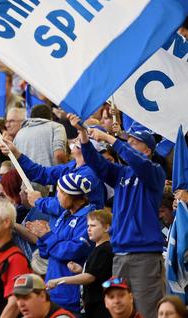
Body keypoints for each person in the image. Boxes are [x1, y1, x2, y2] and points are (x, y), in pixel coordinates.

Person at [69, 113, 166, 318]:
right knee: (118, 311)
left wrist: (110, 139)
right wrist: (83, 135)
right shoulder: (121, 173)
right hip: (120, 253)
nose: (128, 144)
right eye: (127, 141)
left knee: (147, 311)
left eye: (134, 142)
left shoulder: (155, 172)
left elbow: (138, 162)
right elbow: (97, 164)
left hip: (145, 255)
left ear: (147, 151)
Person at [29, 173, 95, 314]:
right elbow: (45, 253)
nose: (57, 195)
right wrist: (41, 236)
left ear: (72, 195)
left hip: (72, 296)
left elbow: (73, 251)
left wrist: (47, 236)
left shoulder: (88, 219)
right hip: (53, 291)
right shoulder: (64, 215)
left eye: (60, 192)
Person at [0, 135, 106, 211]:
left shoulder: (89, 173)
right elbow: (41, 173)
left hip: (80, 228)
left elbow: (64, 205)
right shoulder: (72, 165)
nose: (74, 140)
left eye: (78, 140)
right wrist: (16, 153)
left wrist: (39, 201)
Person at [47, 209, 113, 317]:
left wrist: (59, 281)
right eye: (88, 226)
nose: (88, 229)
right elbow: (97, 272)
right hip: (91, 306)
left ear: (106, 228)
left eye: (93, 226)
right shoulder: (97, 249)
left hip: (100, 307)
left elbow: (89, 277)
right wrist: (80, 269)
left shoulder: (104, 249)